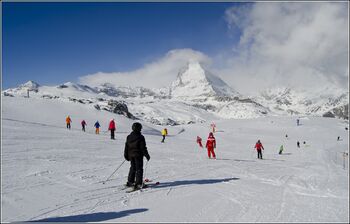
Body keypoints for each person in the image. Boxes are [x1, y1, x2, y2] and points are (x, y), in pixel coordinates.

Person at [124, 122, 150, 190]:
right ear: (139, 129)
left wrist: (126, 155)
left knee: (133, 168)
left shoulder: (129, 136)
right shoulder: (140, 137)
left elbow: (127, 146)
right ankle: (138, 184)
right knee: (139, 169)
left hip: (131, 155)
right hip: (138, 155)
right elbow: (143, 147)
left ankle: (130, 182)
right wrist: (146, 155)